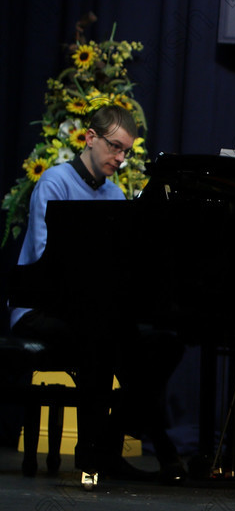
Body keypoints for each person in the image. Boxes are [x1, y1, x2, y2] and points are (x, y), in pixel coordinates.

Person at [8, 104, 186, 487]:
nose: (120, 159)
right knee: (104, 339)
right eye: (115, 148)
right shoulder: (54, 182)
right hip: (40, 307)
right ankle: (102, 454)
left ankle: (103, 444)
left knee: (164, 346)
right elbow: (43, 262)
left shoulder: (115, 194)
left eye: (126, 151)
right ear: (90, 138)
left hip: (92, 311)